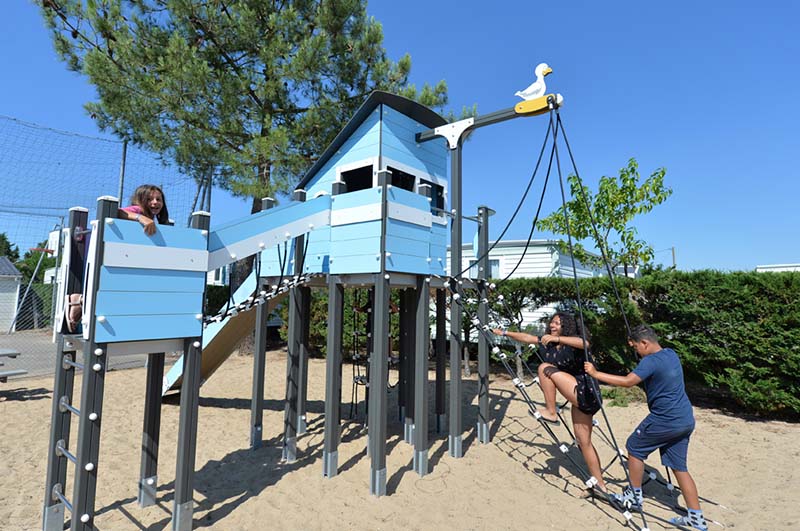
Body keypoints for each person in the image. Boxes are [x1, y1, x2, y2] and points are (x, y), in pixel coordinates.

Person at [584, 324, 707, 531]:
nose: (636, 352)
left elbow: (627, 382)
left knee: (634, 447)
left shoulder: (650, 361)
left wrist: (595, 374)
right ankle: (696, 518)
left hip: (665, 418)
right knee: (679, 467)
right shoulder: (670, 354)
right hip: (685, 419)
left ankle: (634, 495)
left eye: (636, 347)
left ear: (645, 343)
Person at [493, 312, 607, 494]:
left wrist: (562, 338)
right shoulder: (550, 341)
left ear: (566, 327)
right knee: (583, 441)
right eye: (552, 323)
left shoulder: (574, 343)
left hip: (587, 392)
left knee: (544, 368)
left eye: (557, 324)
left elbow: (584, 343)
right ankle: (601, 485)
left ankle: (551, 411)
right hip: (580, 397)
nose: (552, 326)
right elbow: (527, 338)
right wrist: (505, 333)